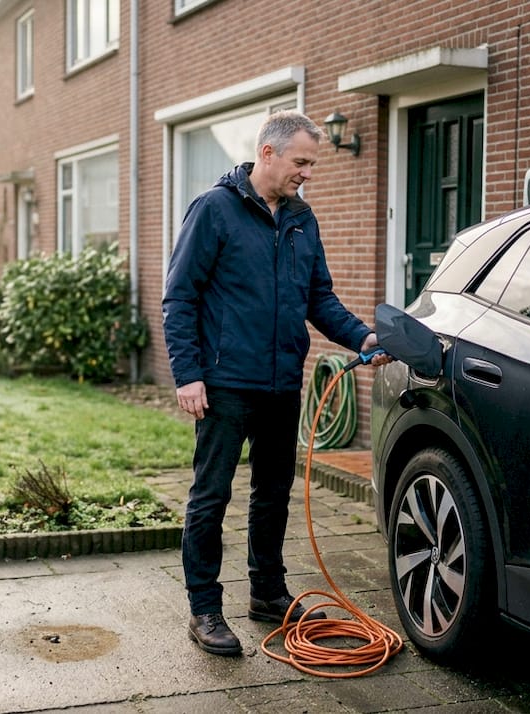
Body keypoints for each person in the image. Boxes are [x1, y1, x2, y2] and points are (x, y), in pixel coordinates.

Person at [161, 110, 393, 657]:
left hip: (282, 383)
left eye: (312, 164)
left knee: (273, 495)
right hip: (224, 384)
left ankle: (267, 593)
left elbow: (319, 298)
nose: (307, 173)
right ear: (268, 153)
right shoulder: (214, 209)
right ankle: (204, 608)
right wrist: (188, 375)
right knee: (211, 496)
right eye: (301, 162)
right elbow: (180, 297)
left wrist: (361, 337)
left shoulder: (301, 219)